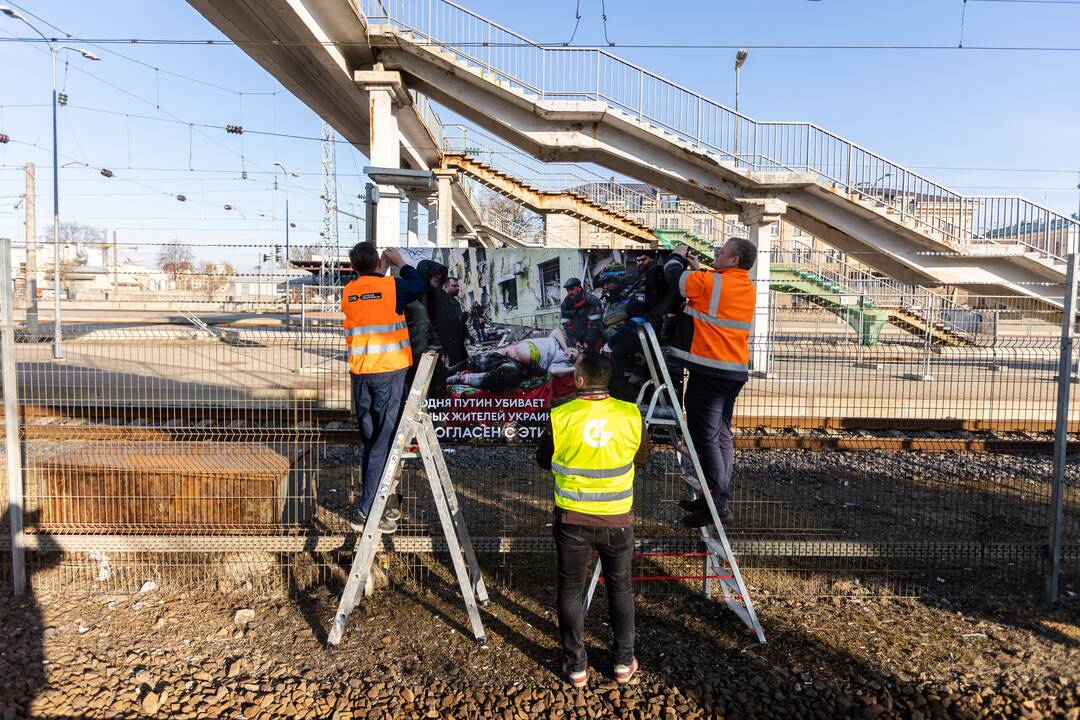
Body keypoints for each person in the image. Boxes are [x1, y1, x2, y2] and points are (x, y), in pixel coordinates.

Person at [535, 354, 649, 688]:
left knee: (571, 588)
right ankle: (623, 663)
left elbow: (543, 460)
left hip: (572, 519)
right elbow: (642, 458)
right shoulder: (629, 414)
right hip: (617, 519)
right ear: (607, 380)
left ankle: (576, 667)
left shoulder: (560, 416)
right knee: (620, 587)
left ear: (580, 380)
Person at [663, 238, 757, 528]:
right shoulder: (743, 285)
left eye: (722, 252)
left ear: (734, 261)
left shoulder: (711, 283)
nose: (717, 253)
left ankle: (716, 501)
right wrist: (701, 270)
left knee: (705, 436)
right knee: (721, 436)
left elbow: (673, 277)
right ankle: (714, 498)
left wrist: (676, 255)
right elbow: (711, 292)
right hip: (733, 371)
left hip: (711, 371)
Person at [342, 243, 426, 534]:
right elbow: (418, 284)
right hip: (388, 374)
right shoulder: (393, 287)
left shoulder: (349, 292)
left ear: (353, 266)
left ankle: (374, 504)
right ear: (379, 261)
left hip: (361, 375)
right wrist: (400, 262)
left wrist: (380, 270)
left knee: (372, 441)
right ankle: (367, 507)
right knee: (385, 441)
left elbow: (371, 295)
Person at [447, 330, 578, 391]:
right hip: (505, 352)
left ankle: (460, 379)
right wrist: (566, 348)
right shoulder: (555, 342)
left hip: (519, 366)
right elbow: (556, 331)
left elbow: (554, 371)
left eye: (574, 357)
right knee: (476, 363)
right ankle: (448, 372)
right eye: (573, 351)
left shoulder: (561, 363)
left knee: (498, 376)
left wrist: (574, 368)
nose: (571, 354)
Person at [560, 278, 603, 353]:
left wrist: (588, 341)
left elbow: (595, 324)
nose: (569, 292)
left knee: (595, 359)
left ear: (579, 288)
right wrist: (574, 341)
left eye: (572, 289)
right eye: (568, 290)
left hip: (594, 337)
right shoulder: (565, 305)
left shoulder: (592, 301)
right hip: (578, 340)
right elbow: (567, 325)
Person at [435, 275, 469, 367]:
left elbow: (460, 324)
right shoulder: (442, 301)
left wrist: (467, 335)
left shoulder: (454, 301)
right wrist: (460, 317)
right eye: (454, 286)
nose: (457, 288)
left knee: (465, 365)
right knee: (456, 368)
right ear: (446, 286)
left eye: (458, 286)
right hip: (450, 344)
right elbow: (443, 322)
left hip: (459, 343)